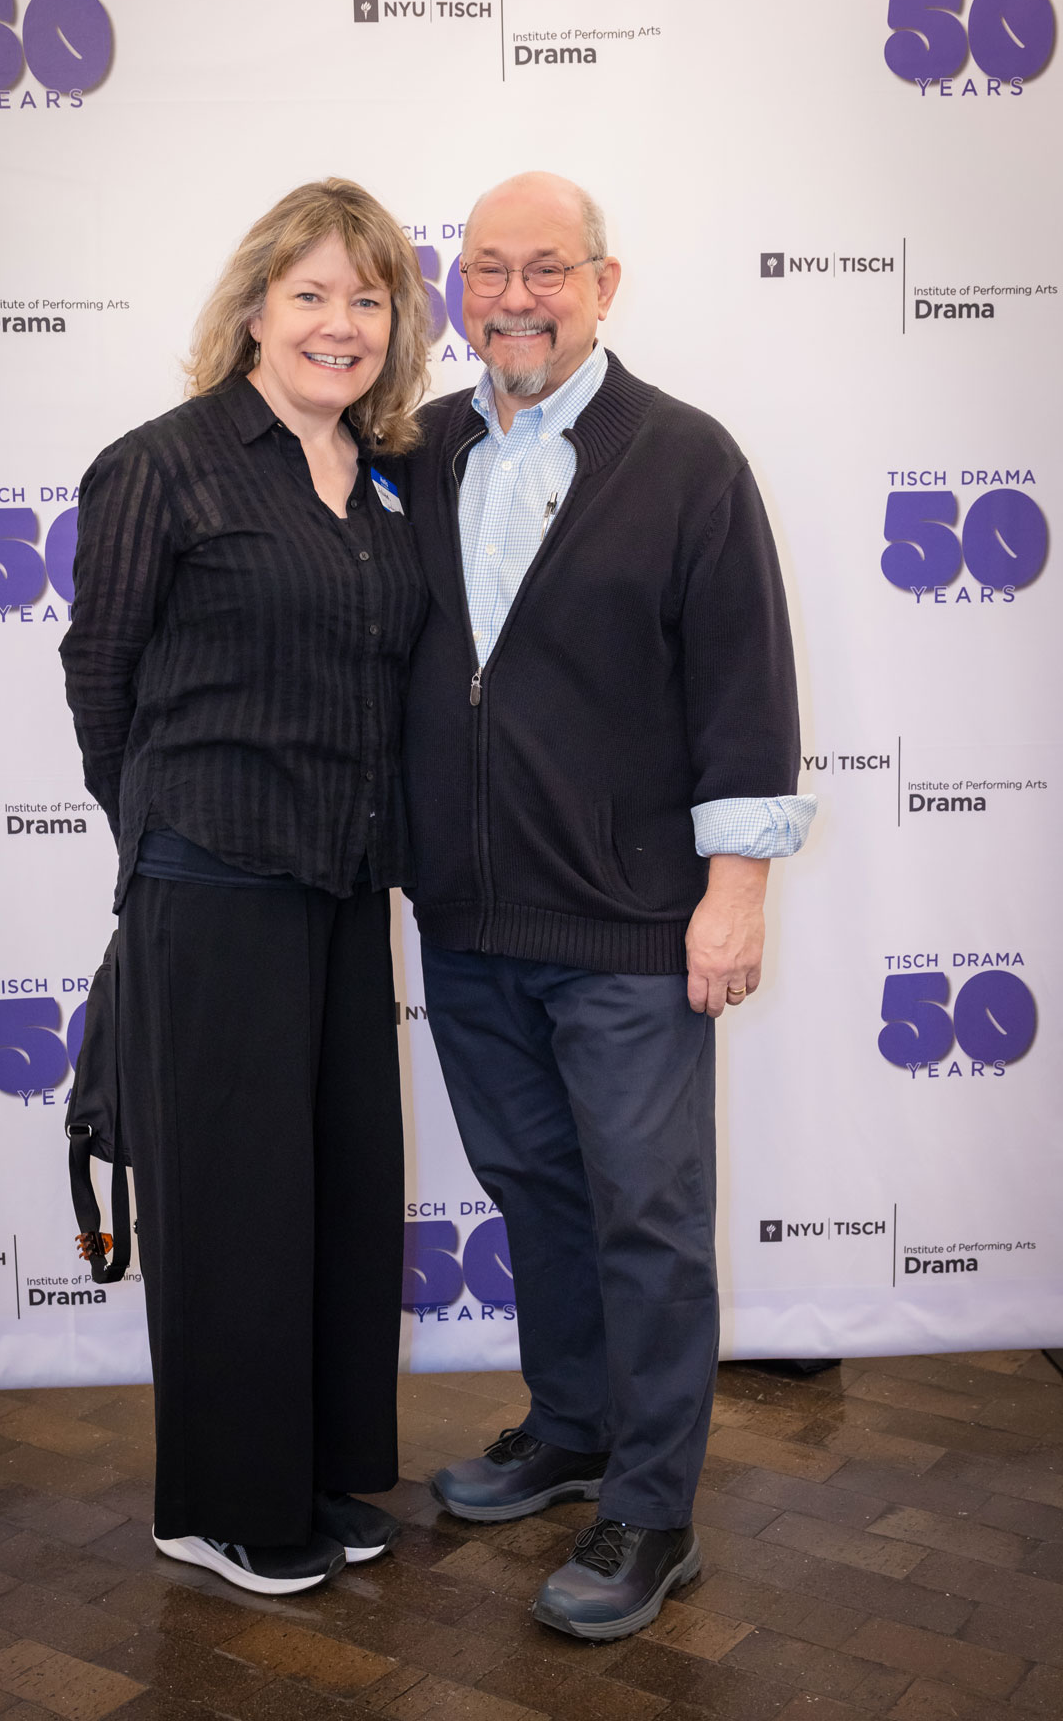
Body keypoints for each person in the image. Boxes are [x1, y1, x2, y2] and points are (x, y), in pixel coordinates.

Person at [401, 171, 815, 1641]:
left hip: (635, 931)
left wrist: (734, 895)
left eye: (548, 269)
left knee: (648, 1220)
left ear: (604, 283)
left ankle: (653, 1509)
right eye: (488, 267)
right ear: (462, 286)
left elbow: (745, 691)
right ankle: (570, 1428)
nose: (515, 294)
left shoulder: (687, 459)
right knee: (540, 1199)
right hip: (466, 920)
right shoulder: (424, 443)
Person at [60, 179, 430, 1597]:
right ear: (256, 311)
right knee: (228, 1203)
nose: (341, 323)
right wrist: (163, 823)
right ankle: (214, 1503)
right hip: (212, 885)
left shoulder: (382, 475)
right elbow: (101, 679)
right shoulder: (166, 462)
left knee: (335, 1189)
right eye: (313, 294)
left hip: (342, 884)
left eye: (368, 297)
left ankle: (314, 1477)